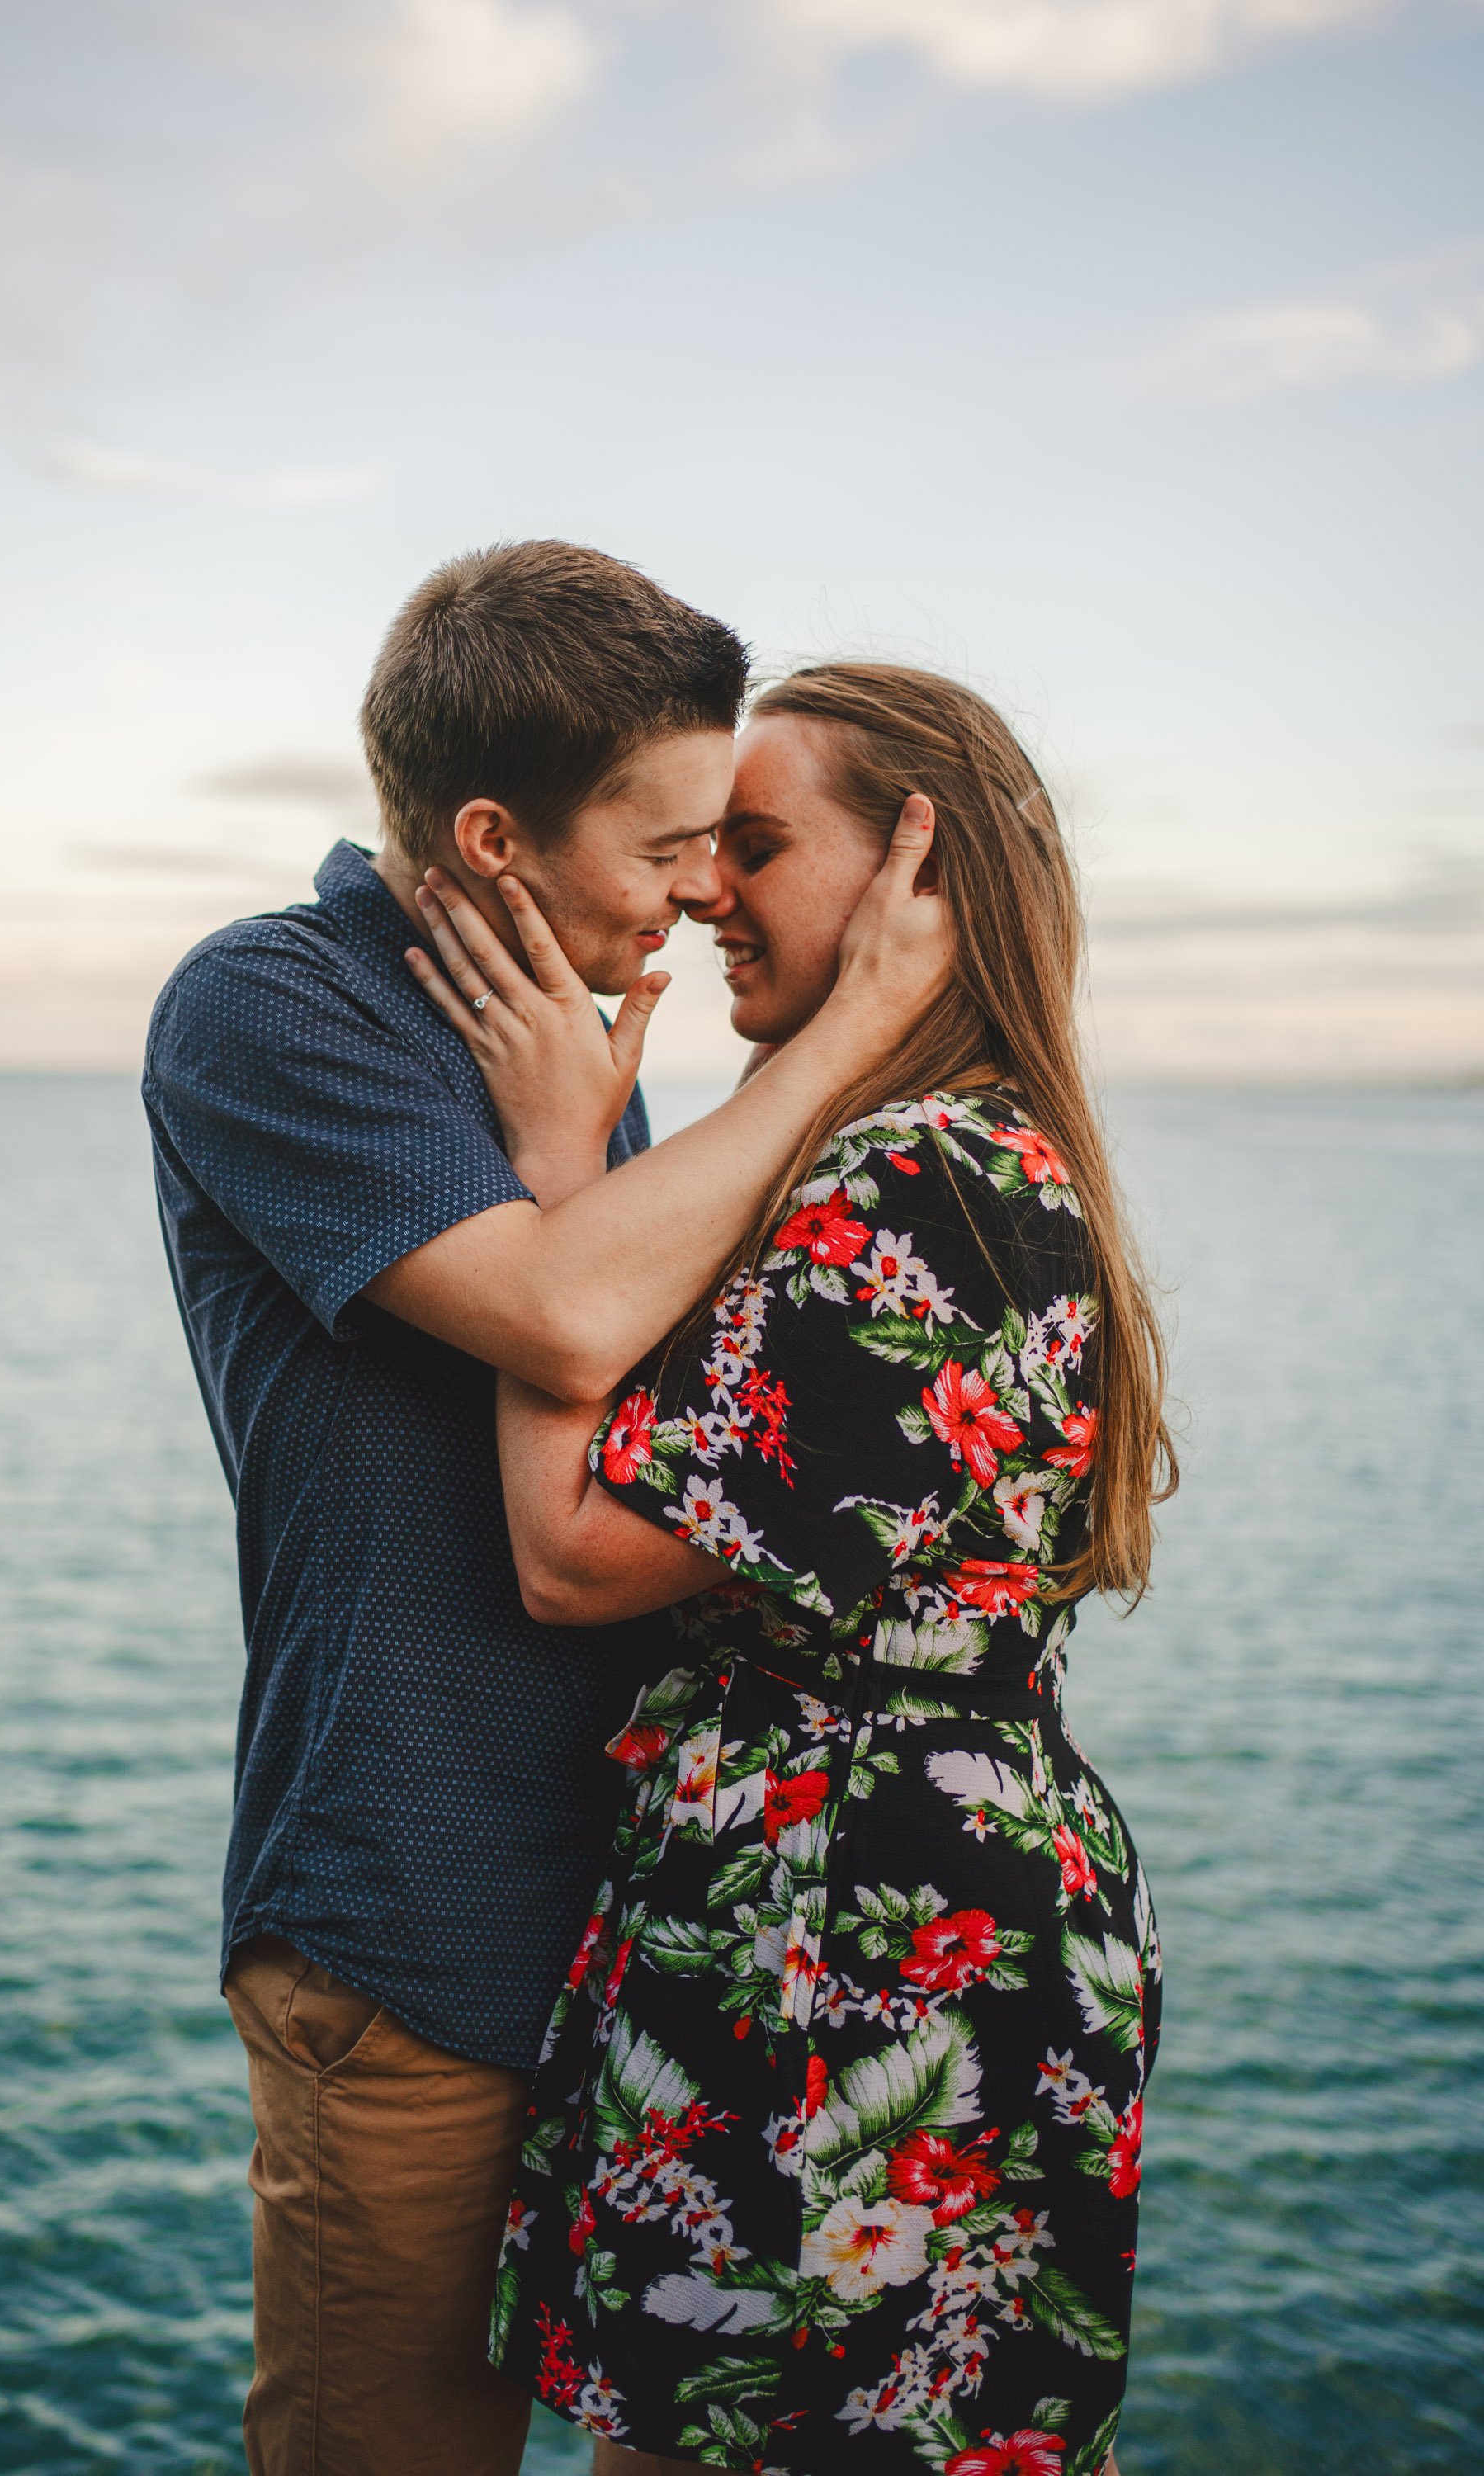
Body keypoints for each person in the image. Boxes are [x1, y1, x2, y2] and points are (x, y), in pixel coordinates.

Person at [142, 546, 951, 2476]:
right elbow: (567, 1316)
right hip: (410, 1939)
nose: (698, 889)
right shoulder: (269, 1003)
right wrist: (832, 1044)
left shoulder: (582, 1077)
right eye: (665, 841)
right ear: (492, 839)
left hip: (659, 1946)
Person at [411, 661, 1176, 2476]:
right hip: (876, 1891)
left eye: (754, 845)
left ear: (924, 873)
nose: (701, 889)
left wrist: (547, 1178)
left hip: (844, 1923)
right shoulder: (949, 1147)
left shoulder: (915, 1179)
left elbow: (575, 1557)